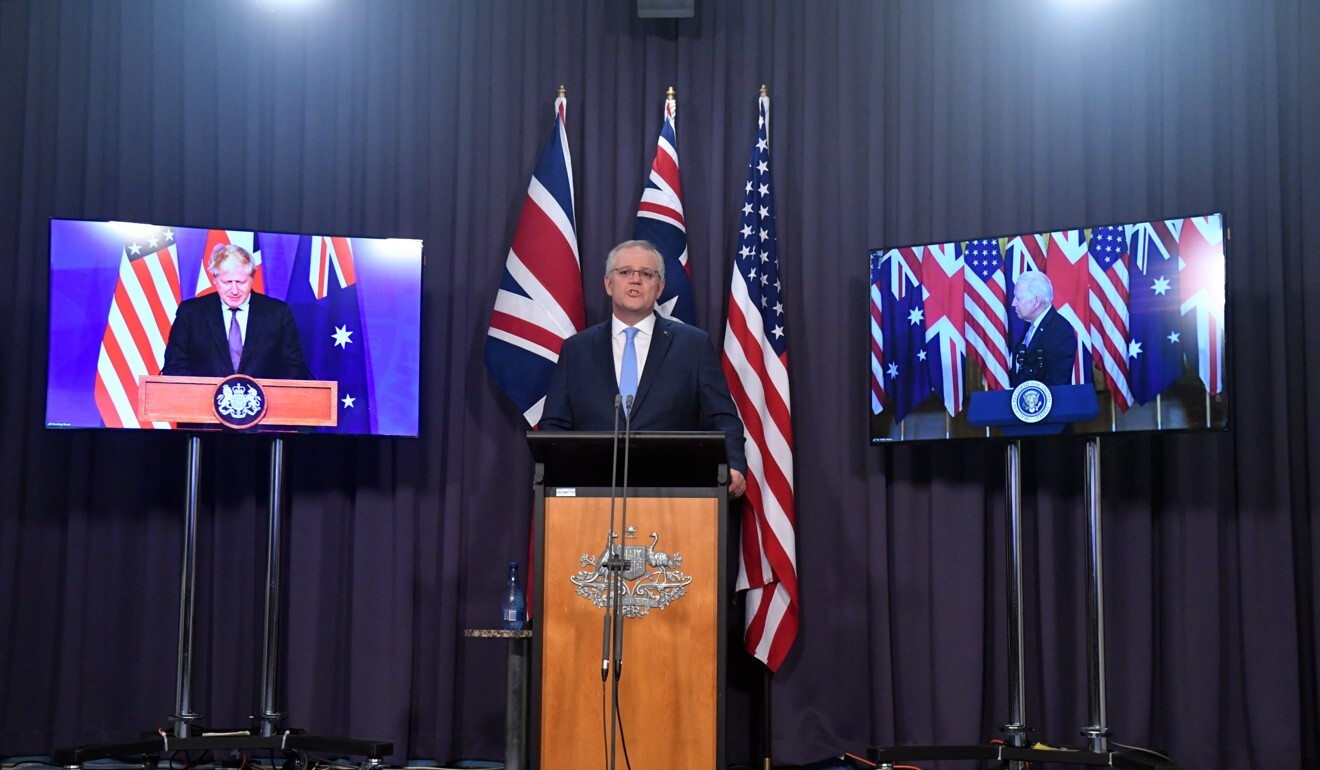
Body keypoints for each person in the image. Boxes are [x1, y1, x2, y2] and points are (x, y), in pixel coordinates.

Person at [540, 240, 748, 498]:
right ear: (608, 284)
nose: (635, 280)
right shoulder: (576, 350)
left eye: (647, 274)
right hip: (592, 495)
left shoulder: (693, 345)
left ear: (659, 287)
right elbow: (554, 424)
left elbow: (722, 417)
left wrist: (735, 464)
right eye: (625, 272)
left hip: (674, 495)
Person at [162, 244, 311, 380]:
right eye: (227, 282)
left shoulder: (278, 313)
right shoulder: (191, 313)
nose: (234, 291)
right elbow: (175, 364)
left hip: (265, 405)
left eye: (240, 282)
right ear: (215, 279)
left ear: (252, 279)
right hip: (201, 406)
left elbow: (293, 367)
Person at [1009, 271, 1077, 387]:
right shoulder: (1029, 324)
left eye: (1018, 298)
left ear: (1036, 301)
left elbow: (1057, 382)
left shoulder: (1060, 331)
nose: (1013, 303)